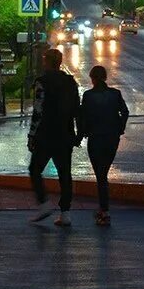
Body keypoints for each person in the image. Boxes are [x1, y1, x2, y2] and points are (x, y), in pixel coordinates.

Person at [28, 48, 81, 227]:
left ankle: (43, 204)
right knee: (65, 174)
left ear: (46, 61)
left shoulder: (42, 82)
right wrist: (77, 134)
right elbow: (76, 109)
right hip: (65, 134)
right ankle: (65, 213)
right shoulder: (70, 82)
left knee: (35, 169)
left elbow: (38, 110)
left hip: (45, 134)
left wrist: (32, 135)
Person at [78, 65, 129, 227]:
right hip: (112, 138)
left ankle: (104, 211)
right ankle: (103, 209)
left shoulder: (88, 96)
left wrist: (81, 134)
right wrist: (120, 128)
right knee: (103, 172)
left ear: (92, 78)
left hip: (95, 138)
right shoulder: (115, 94)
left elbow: (82, 117)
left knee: (100, 174)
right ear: (105, 77)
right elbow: (125, 112)